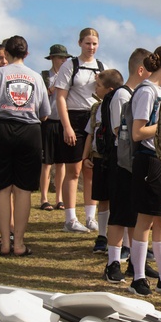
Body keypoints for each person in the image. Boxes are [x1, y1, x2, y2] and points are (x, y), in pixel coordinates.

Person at [0, 36, 50, 257]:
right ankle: (19, 243)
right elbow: (44, 113)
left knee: (2, 188)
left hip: (0, 129)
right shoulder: (36, 77)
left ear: (6, 53)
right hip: (29, 131)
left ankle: (5, 242)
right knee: (23, 189)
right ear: (27, 53)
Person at [126, 45, 161, 297]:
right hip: (148, 158)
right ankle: (138, 276)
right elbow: (138, 132)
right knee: (145, 219)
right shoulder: (147, 91)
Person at [102, 48, 151, 283]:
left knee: (135, 213)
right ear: (141, 70)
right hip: (122, 160)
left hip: (136, 159)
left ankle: (134, 261)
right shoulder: (123, 95)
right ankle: (113, 262)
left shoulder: (139, 93)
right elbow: (119, 131)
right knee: (120, 214)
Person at [54, 28, 105, 234]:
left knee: (91, 169)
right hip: (73, 118)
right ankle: (70, 218)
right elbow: (60, 97)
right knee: (73, 170)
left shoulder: (102, 66)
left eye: (94, 43)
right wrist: (66, 126)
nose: (91, 47)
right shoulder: (70, 65)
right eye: (87, 43)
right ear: (79, 43)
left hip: (94, 118)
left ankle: (91, 216)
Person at [82, 68, 123, 254]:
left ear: (110, 89)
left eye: (98, 85)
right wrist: (85, 156)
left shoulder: (121, 104)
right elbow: (90, 133)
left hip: (114, 157)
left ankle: (118, 239)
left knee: (117, 198)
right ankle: (102, 235)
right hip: (99, 158)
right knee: (102, 198)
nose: (95, 89)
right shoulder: (96, 109)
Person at [40, 44, 71, 211]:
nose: (63, 60)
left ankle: (59, 198)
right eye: (60, 57)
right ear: (52, 58)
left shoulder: (69, 76)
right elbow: (44, 94)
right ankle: (44, 198)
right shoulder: (44, 76)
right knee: (46, 162)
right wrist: (56, 85)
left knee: (61, 162)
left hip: (63, 122)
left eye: (65, 58)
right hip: (48, 121)